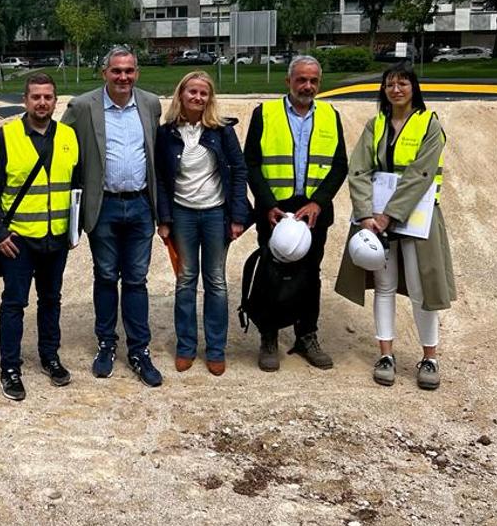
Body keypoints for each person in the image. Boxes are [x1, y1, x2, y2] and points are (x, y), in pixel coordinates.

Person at [336, 62, 456, 390]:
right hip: (376, 220)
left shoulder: (429, 125)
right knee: (384, 285)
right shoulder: (375, 125)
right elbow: (358, 169)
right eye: (390, 84)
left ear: (414, 88)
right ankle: (385, 354)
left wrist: (390, 214)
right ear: (384, 90)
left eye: (403, 83)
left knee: (421, 289)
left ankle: (429, 358)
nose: (396, 89)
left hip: (417, 218)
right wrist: (365, 214)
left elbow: (421, 172)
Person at [61, 46, 164, 387]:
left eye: (129, 71)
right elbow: (64, 151)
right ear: (104, 72)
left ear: (137, 73)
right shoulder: (82, 107)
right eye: (116, 71)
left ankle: (139, 350)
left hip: (139, 206)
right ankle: (106, 344)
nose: (123, 77)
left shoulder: (150, 104)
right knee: (106, 276)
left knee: (136, 279)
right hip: (102, 205)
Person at [0, 71, 80, 402]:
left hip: (56, 239)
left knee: (51, 300)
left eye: (48, 97)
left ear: (56, 100)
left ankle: (50, 357)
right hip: (19, 241)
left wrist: (74, 229)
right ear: (25, 100)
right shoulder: (6, 136)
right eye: (36, 96)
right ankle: (10, 367)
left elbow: (76, 186)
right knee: (14, 304)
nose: (42, 102)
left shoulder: (68, 136)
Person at [244, 55, 348, 372]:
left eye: (313, 80)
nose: (307, 86)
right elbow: (251, 162)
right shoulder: (266, 113)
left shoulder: (331, 115)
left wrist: (319, 202)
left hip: (313, 211)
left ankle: (306, 335)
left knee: (310, 275)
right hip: (275, 210)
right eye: (301, 79)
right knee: (272, 275)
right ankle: (269, 337)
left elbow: (340, 165)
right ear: (288, 81)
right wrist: (266, 204)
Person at [155, 71, 251, 376]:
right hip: (182, 214)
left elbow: (239, 170)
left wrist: (237, 216)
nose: (197, 97)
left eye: (203, 93)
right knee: (185, 281)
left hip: (215, 214)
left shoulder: (221, 130)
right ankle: (185, 347)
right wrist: (164, 219)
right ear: (181, 94)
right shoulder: (167, 132)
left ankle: (215, 349)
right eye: (192, 92)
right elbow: (159, 177)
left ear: (210, 98)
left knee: (216, 281)